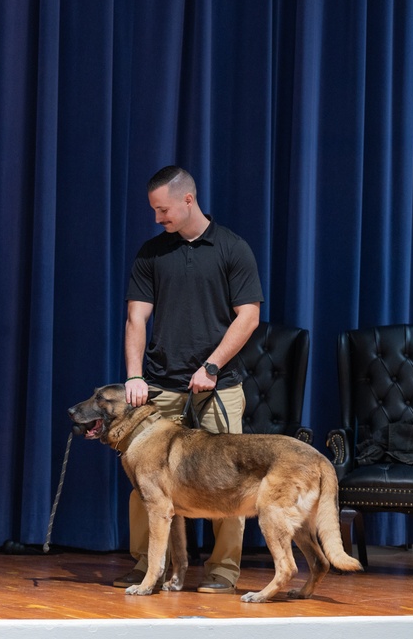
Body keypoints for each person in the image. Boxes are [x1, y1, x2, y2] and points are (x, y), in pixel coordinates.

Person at [116, 165, 263, 594]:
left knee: (230, 481)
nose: (157, 218)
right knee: (146, 482)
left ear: (187, 200)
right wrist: (134, 376)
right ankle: (149, 566)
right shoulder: (152, 253)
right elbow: (136, 318)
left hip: (219, 384)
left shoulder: (232, 249)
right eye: (154, 211)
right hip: (161, 386)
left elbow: (248, 316)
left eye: (162, 210)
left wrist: (212, 366)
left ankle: (221, 572)